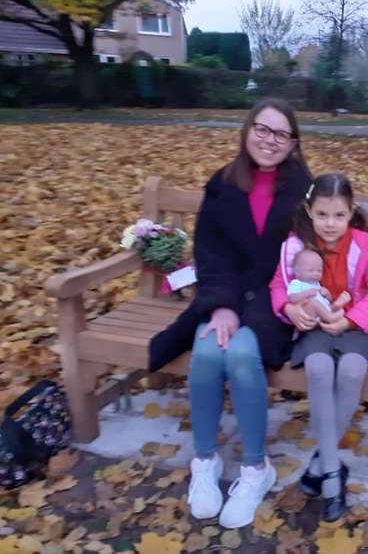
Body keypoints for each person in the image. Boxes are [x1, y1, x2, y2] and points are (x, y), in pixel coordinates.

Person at [148, 98, 311, 529]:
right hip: (226, 295)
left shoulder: (303, 190)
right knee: (205, 350)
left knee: (238, 355)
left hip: (279, 303)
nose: (270, 140)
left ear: (293, 143)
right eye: (263, 129)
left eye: (281, 134)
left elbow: (313, 254)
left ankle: (256, 469)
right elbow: (210, 252)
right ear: (247, 129)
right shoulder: (222, 183)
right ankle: (205, 461)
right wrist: (221, 305)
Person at [269, 173, 368, 521]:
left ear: (351, 212)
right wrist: (289, 308)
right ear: (309, 211)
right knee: (320, 368)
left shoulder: (364, 245)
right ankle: (330, 475)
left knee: (354, 368)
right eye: (322, 214)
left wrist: (351, 320)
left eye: (339, 215)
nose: (330, 223)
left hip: (353, 324)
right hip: (314, 327)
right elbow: (278, 286)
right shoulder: (295, 246)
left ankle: (320, 467)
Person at [287, 248, 352, 323]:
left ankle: (333, 308)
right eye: (311, 270)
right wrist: (306, 293)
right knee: (313, 302)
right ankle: (330, 317)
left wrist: (327, 294)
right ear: (297, 272)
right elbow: (292, 299)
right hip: (307, 313)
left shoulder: (316, 284)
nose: (316, 273)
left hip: (321, 313)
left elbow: (328, 300)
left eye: (319, 271)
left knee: (327, 303)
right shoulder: (296, 283)